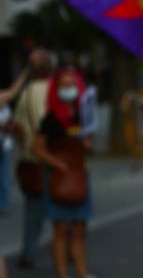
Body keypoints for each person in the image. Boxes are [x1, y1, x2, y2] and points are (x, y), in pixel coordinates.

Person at [31, 69, 94, 278]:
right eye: (63, 85)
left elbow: (89, 144)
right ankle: (62, 274)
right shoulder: (50, 119)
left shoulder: (83, 114)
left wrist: (87, 144)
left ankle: (82, 272)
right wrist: (57, 163)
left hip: (78, 176)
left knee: (79, 229)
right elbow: (37, 148)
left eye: (71, 84)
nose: (68, 89)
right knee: (61, 230)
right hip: (58, 179)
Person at [12, 48, 54, 269]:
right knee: (62, 206)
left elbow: (18, 126)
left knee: (32, 210)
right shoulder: (57, 90)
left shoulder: (28, 93)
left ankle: (28, 251)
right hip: (53, 158)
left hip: (31, 159)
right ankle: (65, 249)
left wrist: (25, 148)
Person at [0, 60, 30, 214]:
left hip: (4, 143)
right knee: (4, 177)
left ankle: (2, 205)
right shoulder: (1, 98)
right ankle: (2, 205)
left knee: (5, 177)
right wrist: (26, 72)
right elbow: (13, 91)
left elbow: (12, 92)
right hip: (4, 144)